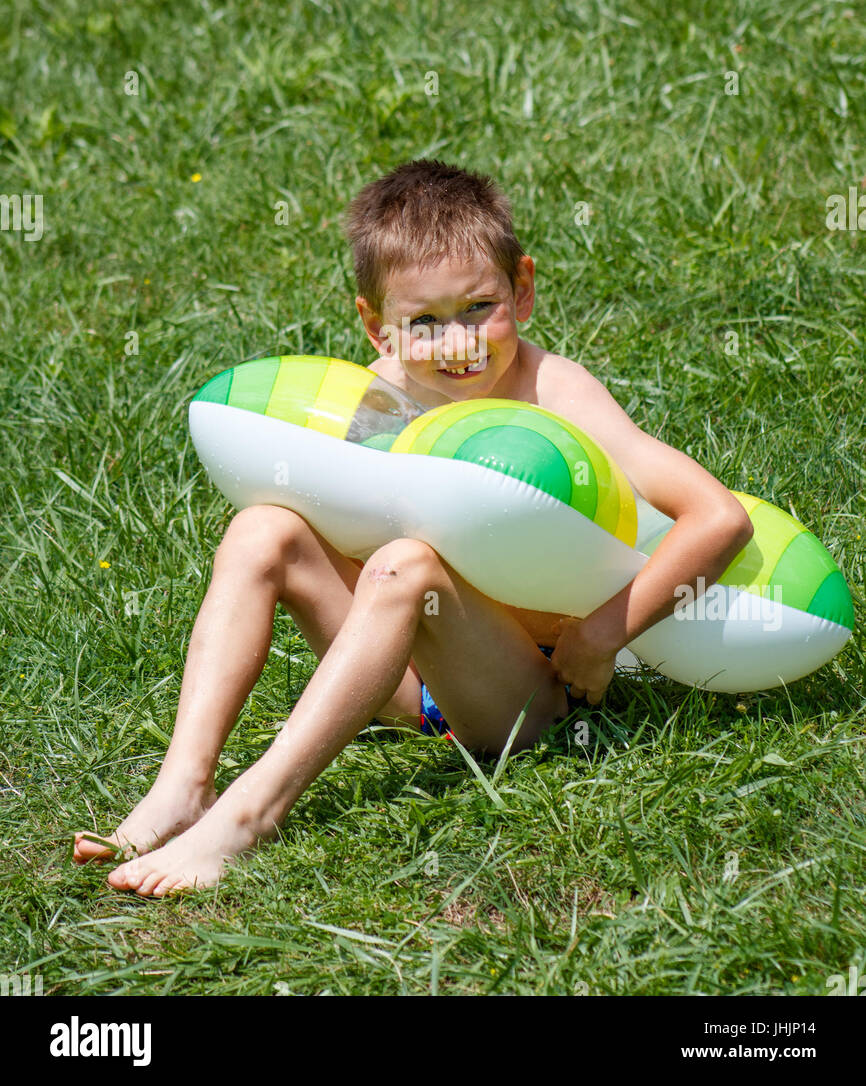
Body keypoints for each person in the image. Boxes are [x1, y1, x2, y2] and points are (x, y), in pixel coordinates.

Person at [74, 159, 753, 895]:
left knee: (408, 565)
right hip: (408, 681)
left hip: (530, 697)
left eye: (478, 308)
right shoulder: (380, 398)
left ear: (523, 290)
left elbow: (721, 519)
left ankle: (249, 816)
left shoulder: (555, 393)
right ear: (376, 326)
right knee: (260, 530)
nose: (456, 344)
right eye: (423, 322)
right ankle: (184, 785)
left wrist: (600, 637)